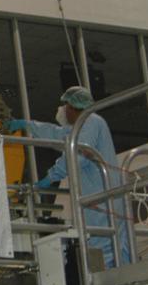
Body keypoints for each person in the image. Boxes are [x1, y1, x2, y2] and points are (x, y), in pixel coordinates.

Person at [7, 86, 132, 268]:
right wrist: (27, 125)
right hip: (99, 197)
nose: (62, 111)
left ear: (71, 107)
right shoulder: (82, 126)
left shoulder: (91, 122)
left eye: (64, 106)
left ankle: (109, 279)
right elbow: (57, 134)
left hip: (103, 197)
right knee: (106, 243)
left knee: (105, 243)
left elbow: (77, 153)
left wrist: (51, 177)